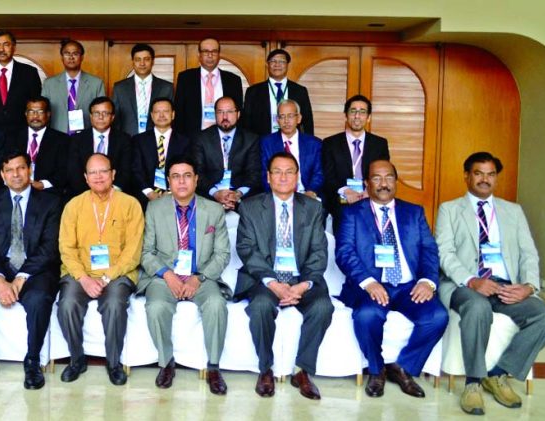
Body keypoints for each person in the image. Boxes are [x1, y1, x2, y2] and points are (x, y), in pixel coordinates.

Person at [435, 152, 545, 415]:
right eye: (478, 173)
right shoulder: (449, 209)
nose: (484, 179)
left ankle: (499, 373)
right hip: (464, 285)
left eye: (490, 174)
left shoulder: (513, 211)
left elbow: (529, 253)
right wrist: (472, 280)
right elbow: (444, 253)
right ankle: (473, 384)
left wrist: (528, 286)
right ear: (466, 176)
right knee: (478, 308)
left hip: (505, 286)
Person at [336, 160, 449, 399]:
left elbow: (429, 250)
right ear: (367, 184)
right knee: (367, 316)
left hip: (410, 285)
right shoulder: (351, 213)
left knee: (437, 317)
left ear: (396, 182)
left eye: (388, 178)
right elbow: (345, 252)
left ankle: (403, 367)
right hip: (372, 286)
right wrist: (368, 282)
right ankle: (376, 370)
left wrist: (427, 281)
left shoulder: (414, 212)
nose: (383, 183)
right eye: (376, 178)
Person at [236, 152, 332, 400]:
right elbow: (247, 248)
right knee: (259, 306)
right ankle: (265, 369)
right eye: (277, 171)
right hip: (265, 278)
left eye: (289, 171)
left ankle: (303, 370)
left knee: (322, 306)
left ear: (297, 177)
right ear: (268, 177)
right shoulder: (250, 206)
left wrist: (302, 285)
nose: (283, 177)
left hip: (301, 277)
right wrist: (273, 283)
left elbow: (319, 251)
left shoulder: (313, 207)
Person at [0, 152, 61, 390]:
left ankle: (33, 360)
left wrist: (21, 277)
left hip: (35, 269)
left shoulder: (51, 202)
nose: (16, 174)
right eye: (10, 170)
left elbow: (49, 248)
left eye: (21, 168)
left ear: (30, 170)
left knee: (38, 299)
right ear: (2, 175)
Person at [139, 155, 230, 394]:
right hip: (164, 275)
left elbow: (222, 254)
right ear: (168, 181)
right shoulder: (155, 208)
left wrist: (197, 278)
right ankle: (166, 362)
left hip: (200, 276)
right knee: (156, 306)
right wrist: (167, 275)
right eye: (176, 177)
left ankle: (213, 366)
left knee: (216, 304)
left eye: (187, 176)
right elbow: (146, 252)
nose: (181, 182)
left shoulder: (213, 210)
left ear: (196, 180)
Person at [57, 154, 144, 386]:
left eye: (103, 171)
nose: (98, 177)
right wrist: (83, 278)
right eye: (92, 173)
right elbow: (66, 248)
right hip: (80, 272)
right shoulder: (73, 206)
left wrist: (108, 276)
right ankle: (77, 360)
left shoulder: (130, 204)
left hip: (117, 274)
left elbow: (133, 251)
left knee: (115, 303)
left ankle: (113, 363)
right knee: (66, 304)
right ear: (85, 178)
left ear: (113, 174)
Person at [322, 95, 390, 230]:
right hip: (341, 201)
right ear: (346, 116)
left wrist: (369, 191)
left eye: (362, 112)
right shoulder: (330, 143)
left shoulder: (380, 144)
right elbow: (327, 175)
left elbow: (384, 174)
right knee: (343, 240)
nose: (357, 116)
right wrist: (346, 191)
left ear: (368, 117)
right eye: (353, 111)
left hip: (370, 198)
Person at [191, 96, 261, 211]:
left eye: (229, 112)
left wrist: (237, 194)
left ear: (238, 114)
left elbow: (254, 174)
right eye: (220, 112)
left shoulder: (251, 139)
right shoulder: (201, 138)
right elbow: (198, 173)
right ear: (215, 115)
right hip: (210, 197)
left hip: (241, 198)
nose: (225, 117)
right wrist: (215, 193)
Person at [173, 37, 243, 137]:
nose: (210, 55)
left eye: (214, 51)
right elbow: (179, 112)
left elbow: (238, 112)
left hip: (225, 136)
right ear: (199, 55)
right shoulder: (185, 78)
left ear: (219, 55)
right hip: (193, 138)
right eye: (206, 51)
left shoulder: (233, 80)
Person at [65, 97, 134, 198]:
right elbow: (74, 172)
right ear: (91, 116)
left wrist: (112, 192)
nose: (101, 117)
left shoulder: (124, 139)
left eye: (105, 113)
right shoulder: (77, 139)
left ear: (112, 117)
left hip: (115, 194)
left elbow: (126, 170)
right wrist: (90, 194)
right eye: (96, 113)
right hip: (83, 194)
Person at [0, 30, 42, 133]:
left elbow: (36, 103)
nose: (1, 49)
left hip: (21, 134)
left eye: (6, 45)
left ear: (14, 47)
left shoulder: (29, 73)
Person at [131, 98, 192, 207]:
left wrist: (170, 192)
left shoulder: (185, 141)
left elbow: (187, 170)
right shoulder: (139, 140)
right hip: (144, 196)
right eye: (157, 112)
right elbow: (136, 169)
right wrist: (149, 192)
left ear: (173, 115)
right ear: (152, 115)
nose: (161, 115)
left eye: (166, 111)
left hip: (176, 195)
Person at [4, 95, 69, 196]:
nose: (35, 116)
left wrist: (42, 184)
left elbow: (64, 171)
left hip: (47, 192)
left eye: (40, 112)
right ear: (26, 114)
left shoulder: (61, 140)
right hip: (15, 189)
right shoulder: (12, 137)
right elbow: (4, 165)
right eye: (31, 112)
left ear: (48, 114)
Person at [259, 99, 324, 200]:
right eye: (282, 116)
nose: (286, 121)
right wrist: (277, 194)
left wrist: (311, 191)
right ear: (277, 120)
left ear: (299, 118)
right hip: (276, 195)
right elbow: (264, 174)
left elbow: (319, 173)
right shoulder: (266, 143)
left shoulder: (314, 144)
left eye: (290, 116)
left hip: (306, 194)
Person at [241, 49, 314, 136]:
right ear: (267, 64)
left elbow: (307, 122)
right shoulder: (253, 92)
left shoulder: (300, 91)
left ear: (287, 65)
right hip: (262, 144)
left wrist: (308, 144)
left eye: (282, 61)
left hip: (291, 143)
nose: (277, 64)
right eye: (273, 61)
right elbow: (246, 123)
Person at [41, 39, 105, 135]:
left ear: (82, 57)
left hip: (86, 136)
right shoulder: (49, 84)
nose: (71, 57)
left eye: (75, 53)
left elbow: (102, 111)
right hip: (57, 135)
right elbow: (43, 112)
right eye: (67, 53)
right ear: (62, 57)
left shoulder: (96, 83)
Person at [112, 43, 174, 135]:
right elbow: (115, 119)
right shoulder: (119, 88)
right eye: (138, 60)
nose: (142, 63)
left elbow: (171, 118)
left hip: (156, 140)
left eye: (146, 59)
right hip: (128, 140)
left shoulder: (167, 87)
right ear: (132, 62)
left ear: (153, 61)